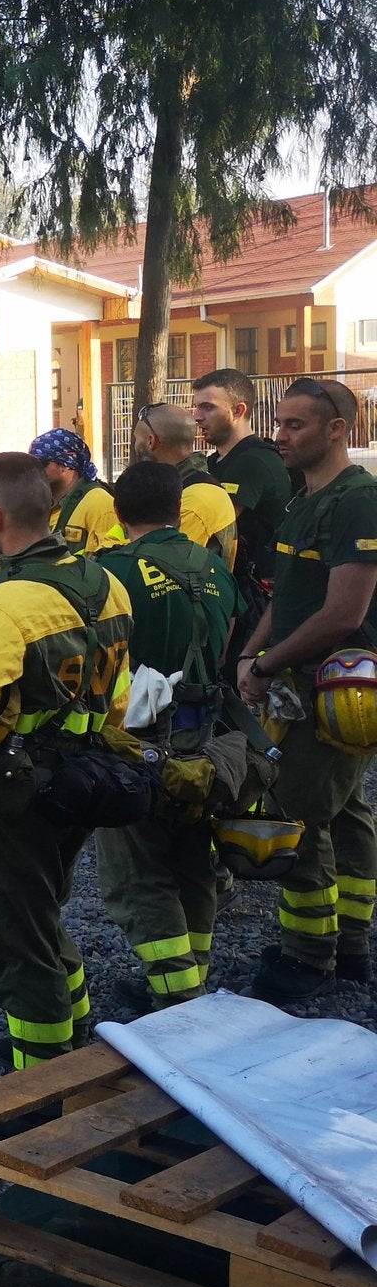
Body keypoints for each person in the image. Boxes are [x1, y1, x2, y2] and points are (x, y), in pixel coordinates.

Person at [0, 453, 132, 1069]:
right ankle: (74, 1026)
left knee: (12, 941)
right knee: (42, 910)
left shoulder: (8, 602)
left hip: (15, 791)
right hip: (86, 779)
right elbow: (119, 694)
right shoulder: (104, 581)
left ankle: (40, 1087)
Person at [236, 376, 377, 997]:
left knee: (304, 815)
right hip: (296, 676)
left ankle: (308, 958)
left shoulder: (358, 501)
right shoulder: (303, 498)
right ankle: (351, 948)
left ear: (337, 429)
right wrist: (251, 653)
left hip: (336, 688)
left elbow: (343, 613)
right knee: (345, 811)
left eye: (295, 425)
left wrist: (266, 667)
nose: (279, 434)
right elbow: (288, 594)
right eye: (280, 422)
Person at [93, 462, 237, 1014]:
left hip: (139, 737)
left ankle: (177, 997)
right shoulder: (213, 565)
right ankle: (193, 973)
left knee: (138, 872)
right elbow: (225, 641)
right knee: (193, 858)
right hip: (204, 733)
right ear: (179, 510)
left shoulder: (113, 571)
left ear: (118, 513)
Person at [194, 367, 293, 662]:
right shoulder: (215, 462)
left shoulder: (254, 461)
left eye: (208, 407)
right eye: (196, 406)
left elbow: (210, 525)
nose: (197, 416)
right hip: (232, 592)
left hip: (255, 603)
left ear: (238, 410)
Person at [133, 402, 239, 565]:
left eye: (136, 439)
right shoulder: (174, 488)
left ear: (150, 441)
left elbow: (163, 564)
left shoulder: (196, 499)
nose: (134, 446)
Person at [30, 427, 123, 553]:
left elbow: (107, 561)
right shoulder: (43, 504)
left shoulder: (99, 503)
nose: (35, 470)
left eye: (42, 463)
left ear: (65, 463)